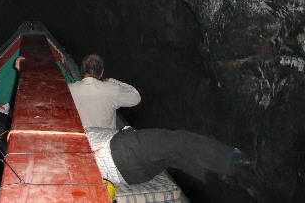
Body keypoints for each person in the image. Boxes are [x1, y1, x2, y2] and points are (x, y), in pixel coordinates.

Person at [86, 126, 264, 201]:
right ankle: (234, 159)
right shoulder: (70, 137)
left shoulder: (72, 134)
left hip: (132, 175)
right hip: (122, 152)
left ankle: (223, 176)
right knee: (180, 140)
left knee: (176, 157)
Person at [68, 54, 140, 129]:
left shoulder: (69, 89)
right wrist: (112, 81)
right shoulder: (111, 89)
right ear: (102, 73)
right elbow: (136, 98)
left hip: (79, 138)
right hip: (105, 140)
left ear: (82, 70)